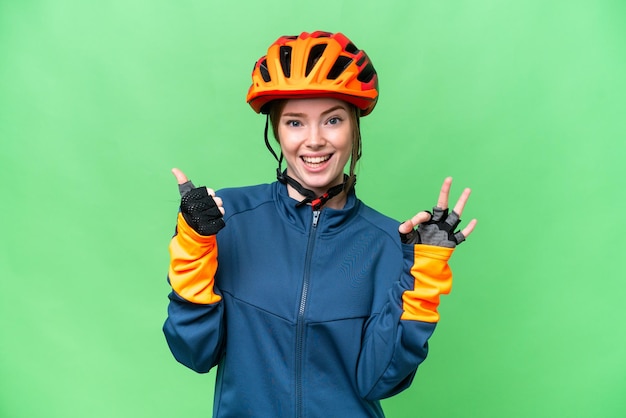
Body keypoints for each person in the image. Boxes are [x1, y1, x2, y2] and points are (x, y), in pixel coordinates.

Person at [163, 30, 477, 418]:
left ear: (354, 129)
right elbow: (194, 351)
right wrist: (193, 247)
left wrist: (423, 274)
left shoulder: (387, 241)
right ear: (276, 131)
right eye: (295, 123)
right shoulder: (228, 219)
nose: (314, 140)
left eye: (332, 120)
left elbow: (379, 380)